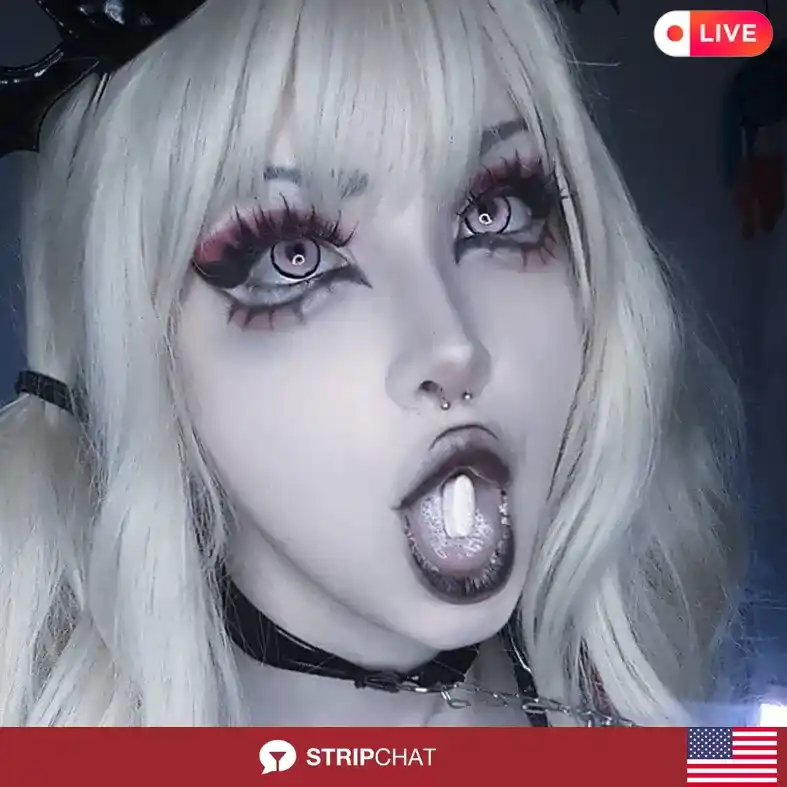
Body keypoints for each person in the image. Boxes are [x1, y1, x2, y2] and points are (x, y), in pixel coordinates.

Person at [0, 0, 744, 726]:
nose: (453, 345)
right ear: (141, 343)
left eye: (495, 211)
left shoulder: (660, 733)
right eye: (294, 257)